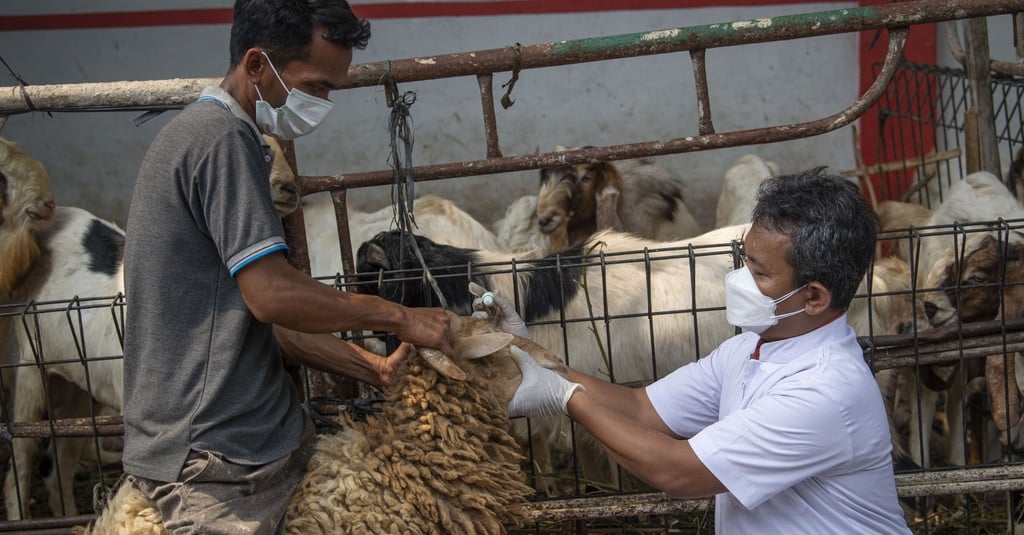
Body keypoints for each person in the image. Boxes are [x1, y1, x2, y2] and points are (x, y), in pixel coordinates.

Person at [121, 1, 453, 533]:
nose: (322, 102)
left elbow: (248, 322)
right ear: (256, 66)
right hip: (212, 462)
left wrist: (372, 369)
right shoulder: (218, 140)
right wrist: (401, 318)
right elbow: (271, 296)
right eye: (315, 86)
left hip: (253, 439)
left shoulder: (227, 137)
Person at [484, 167, 911, 533]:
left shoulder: (824, 392)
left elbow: (678, 471)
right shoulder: (749, 349)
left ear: (814, 297)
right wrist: (536, 356)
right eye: (745, 262)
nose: (739, 279)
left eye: (758, 273)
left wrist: (566, 399)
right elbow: (640, 407)